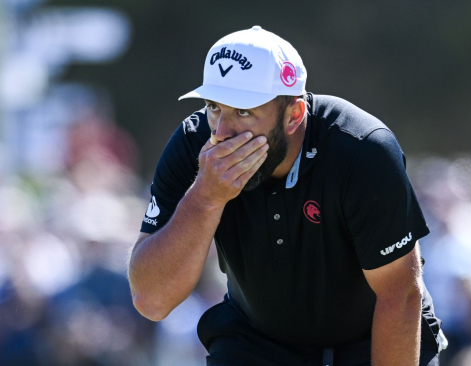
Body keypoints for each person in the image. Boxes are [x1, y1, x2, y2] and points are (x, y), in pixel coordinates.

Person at [128, 25, 446, 366]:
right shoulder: (194, 145)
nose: (221, 133)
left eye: (243, 112)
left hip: (371, 337)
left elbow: (399, 294)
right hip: (256, 340)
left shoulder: (361, 148)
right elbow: (151, 300)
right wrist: (205, 198)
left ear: (294, 115)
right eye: (214, 107)